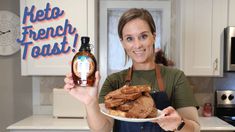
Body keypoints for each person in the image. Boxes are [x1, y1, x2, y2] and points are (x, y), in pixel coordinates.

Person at [64, 8, 200, 132]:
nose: (137, 45)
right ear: (122, 42)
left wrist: (179, 124)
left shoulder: (175, 77)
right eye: (129, 38)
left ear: (154, 36)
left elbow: (195, 128)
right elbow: (103, 128)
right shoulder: (114, 81)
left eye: (143, 36)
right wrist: (90, 103)